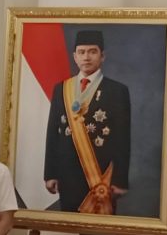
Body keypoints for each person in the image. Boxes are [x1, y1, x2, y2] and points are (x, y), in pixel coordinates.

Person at [44, 30, 131, 214]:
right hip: (67, 174)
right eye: (81, 52)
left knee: (100, 229)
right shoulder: (61, 89)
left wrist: (120, 180)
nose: (86, 57)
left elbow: (123, 139)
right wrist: (50, 173)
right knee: (69, 226)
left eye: (92, 51)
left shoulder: (117, 91)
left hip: (101, 176)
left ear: (102, 56)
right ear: (75, 57)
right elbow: (52, 134)